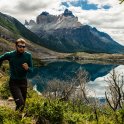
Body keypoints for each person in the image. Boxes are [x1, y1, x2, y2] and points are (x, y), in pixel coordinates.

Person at [0, 38, 33, 111]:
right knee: (20, 103)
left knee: (22, 104)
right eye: (20, 46)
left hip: (23, 82)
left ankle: (17, 117)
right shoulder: (10, 55)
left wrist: (27, 68)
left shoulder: (28, 56)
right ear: (16, 46)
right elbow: (0, 59)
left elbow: (32, 70)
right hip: (14, 83)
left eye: (23, 47)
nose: (22, 48)